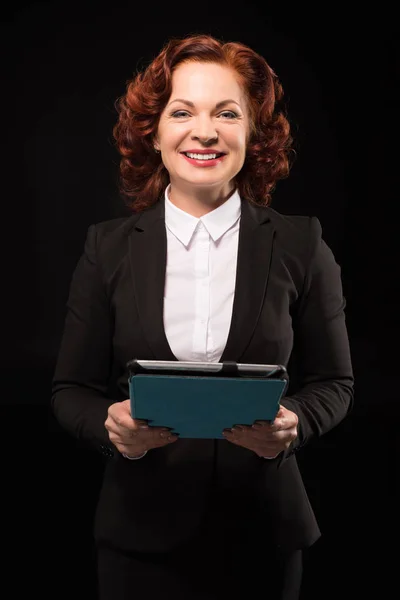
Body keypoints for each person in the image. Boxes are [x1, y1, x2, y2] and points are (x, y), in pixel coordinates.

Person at [51, 33, 354, 600]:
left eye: (227, 113)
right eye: (183, 111)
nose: (206, 131)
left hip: (265, 531)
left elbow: (336, 384)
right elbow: (71, 389)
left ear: (254, 133)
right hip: (137, 536)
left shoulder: (300, 244)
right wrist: (112, 429)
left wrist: (295, 425)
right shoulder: (107, 248)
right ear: (155, 130)